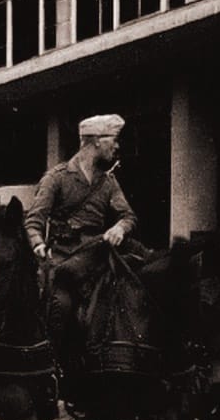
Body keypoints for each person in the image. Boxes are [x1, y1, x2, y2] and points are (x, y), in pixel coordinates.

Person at [23, 113, 138, 357]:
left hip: (98, 259)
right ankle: (51, 365)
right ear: (97, 141)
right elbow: (34, 221)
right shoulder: (57, 178)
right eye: (113, 140)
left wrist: (119, 228)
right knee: (60, 305)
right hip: (63, 259)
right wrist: (38, 244)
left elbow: (128, 216)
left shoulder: (108, 182)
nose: (117, 147)